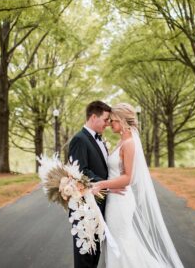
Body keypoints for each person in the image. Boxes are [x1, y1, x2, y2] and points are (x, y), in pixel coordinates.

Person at [92, 103, 184, 268]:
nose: (109, 124)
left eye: (112, 120)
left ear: (121, 120)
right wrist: (109, 187)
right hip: (114, 198)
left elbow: (128, 178)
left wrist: (101, 184)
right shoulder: (123, 141)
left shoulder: (129, 144)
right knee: (121, 241)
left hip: (120, 202)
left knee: (122, 242)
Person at [69, 100, 122, 268]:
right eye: (105, 120)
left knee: (95, 253)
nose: (107, 124)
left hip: (99, 204)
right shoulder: (79, 139)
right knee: (85, 256)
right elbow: (81, 171)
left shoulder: (99, 139)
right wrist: (109, 184)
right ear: (93, 117)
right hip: (85, 208)